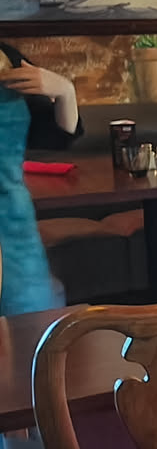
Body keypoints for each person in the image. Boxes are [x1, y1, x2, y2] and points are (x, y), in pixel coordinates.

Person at [0, 42, 81, 315]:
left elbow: (58, 136)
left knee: (29, 326)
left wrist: (65, 91)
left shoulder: (7, 59)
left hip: (12, 227)